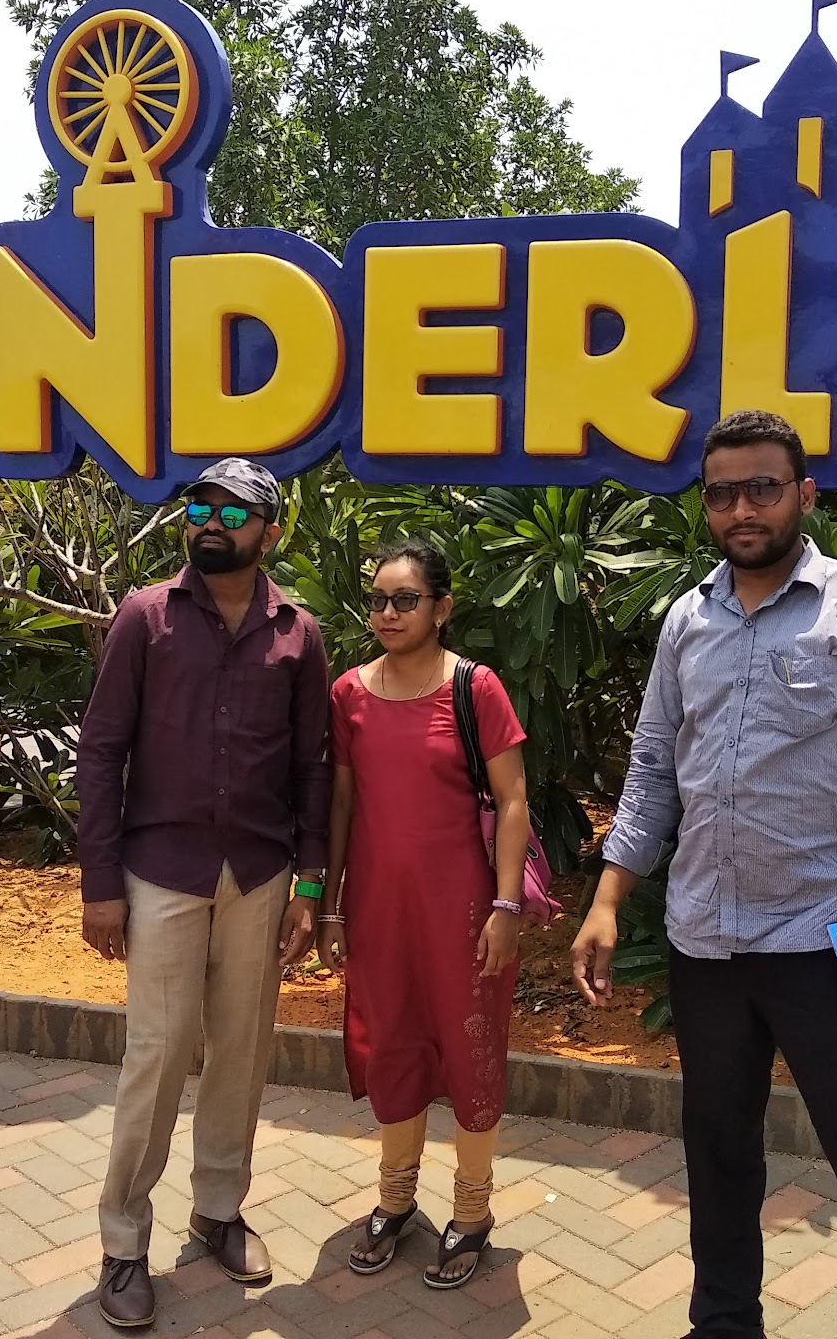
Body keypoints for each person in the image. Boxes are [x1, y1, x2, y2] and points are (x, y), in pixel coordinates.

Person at [571, 410, 837, 1339]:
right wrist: (608, 897)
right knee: (717, 1156)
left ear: (805, 495)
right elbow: (653, 766)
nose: (742, 509)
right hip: (705, 938)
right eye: (722, 493)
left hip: (827, 935)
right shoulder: (687, 619)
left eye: (762, 488)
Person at [77, 458, 331, 1330]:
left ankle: (218, 1209)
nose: (210, 523)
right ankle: (122, 1242)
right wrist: (100, 884)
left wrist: (309, 883)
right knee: (156, 1053)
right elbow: (101, 750)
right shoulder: (145, 616)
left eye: (232, 512)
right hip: (162, 870)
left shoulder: (298, 632)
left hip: (260, 873)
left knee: (242, 1050)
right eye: (198, 508)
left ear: (270, 531)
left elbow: (313, 766)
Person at [316, 538, 531, 1290]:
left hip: (465, 911)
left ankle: (472, 1210)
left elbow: (512, 801)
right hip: (378, 910)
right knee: (394, 1046)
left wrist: (506, 904)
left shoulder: (476, 688)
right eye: (378, 600)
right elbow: (342, 805)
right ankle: (395, 1198)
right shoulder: (348, 693)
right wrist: (331, 907)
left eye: (405, 600)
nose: (388, 613)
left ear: (442, 608)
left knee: (471, 1050)